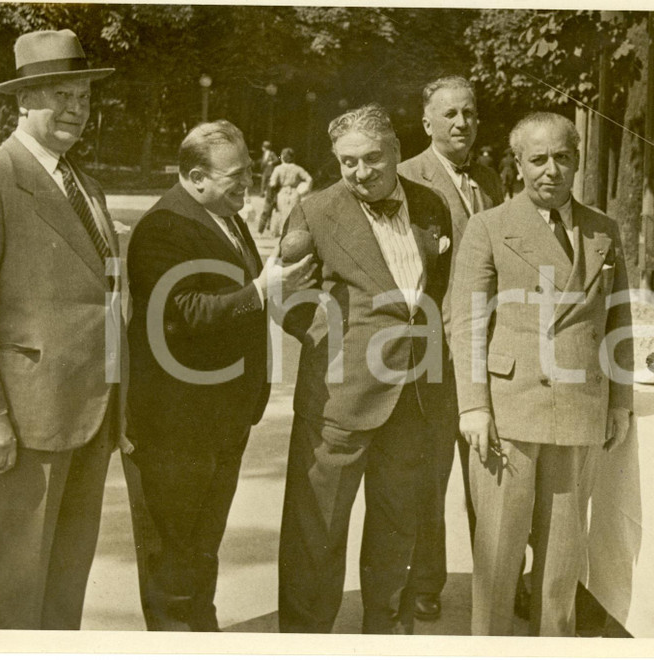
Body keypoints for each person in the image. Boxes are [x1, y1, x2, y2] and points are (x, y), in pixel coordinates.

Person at [0, 29, 126, 630]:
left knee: (66, 581)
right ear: (23, 102)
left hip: (91, 414)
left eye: (84, 98)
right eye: (58, 95)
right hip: (24, 420)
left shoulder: (84, 185)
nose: (75, 109)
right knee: (16, 586)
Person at [124, 121, 315, 631]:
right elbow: (183, 312)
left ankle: (201, 634)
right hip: (176, 424)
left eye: (251, 167)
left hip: (224, 416)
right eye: (237, 174)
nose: (250, 181)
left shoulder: (223, 214)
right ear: (195, 177)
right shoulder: (162, 226)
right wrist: (262, 288)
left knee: (202, 545)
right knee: (172, 554)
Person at [451, 112, 634, 636]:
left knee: (563, 557)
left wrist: (618, 399)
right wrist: (473, 406)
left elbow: (618, 318)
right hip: (510, 410)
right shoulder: (488, 226)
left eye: (562, 157)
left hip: (579, 407)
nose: (550, 170)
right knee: (498, 556)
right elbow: (463, 321)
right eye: (537, 159)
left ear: (577, 161)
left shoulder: (605, 230)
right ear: (518, 164)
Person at [277, 103, 453, 635]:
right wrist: (339, 345)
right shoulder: (314, 212)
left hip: (413, 398)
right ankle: (306, 640)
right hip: (340, 398)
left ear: (397, 153)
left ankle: (386, 630)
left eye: (373, 159)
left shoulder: (431, 205)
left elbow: (434, 286)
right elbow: (287, 299)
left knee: (399, 522)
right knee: (318, 531)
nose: (360, 172)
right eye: (347, 162)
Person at [396, 75, 502, 621]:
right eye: (451, 114)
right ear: (427, 123)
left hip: (489, 349)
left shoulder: (489, 179)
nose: (462, 123)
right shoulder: (404, 178)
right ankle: (425, 581)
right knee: (430, 472)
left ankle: (497, 580)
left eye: (470, 112)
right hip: (434, 352)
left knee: (490, 474)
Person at [265, 147, 312, 237]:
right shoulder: (298, 169)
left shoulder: (278, 169)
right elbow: (309, 179)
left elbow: (273, 183)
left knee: (282, 215)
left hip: (282, 193)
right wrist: (305, 190)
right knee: (293, 216)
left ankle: (282, 236)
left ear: (282, 157)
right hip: (295, 194)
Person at [255, 140, 281, 234]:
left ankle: (266, 225)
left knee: (266, 185)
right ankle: (262, 192)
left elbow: (278, 159)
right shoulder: (265, 154)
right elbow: (263, 162)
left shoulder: (272, 153)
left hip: (269, 172)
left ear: (265, 147)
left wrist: (272, 163)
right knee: (263, 183)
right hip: (265, 172)